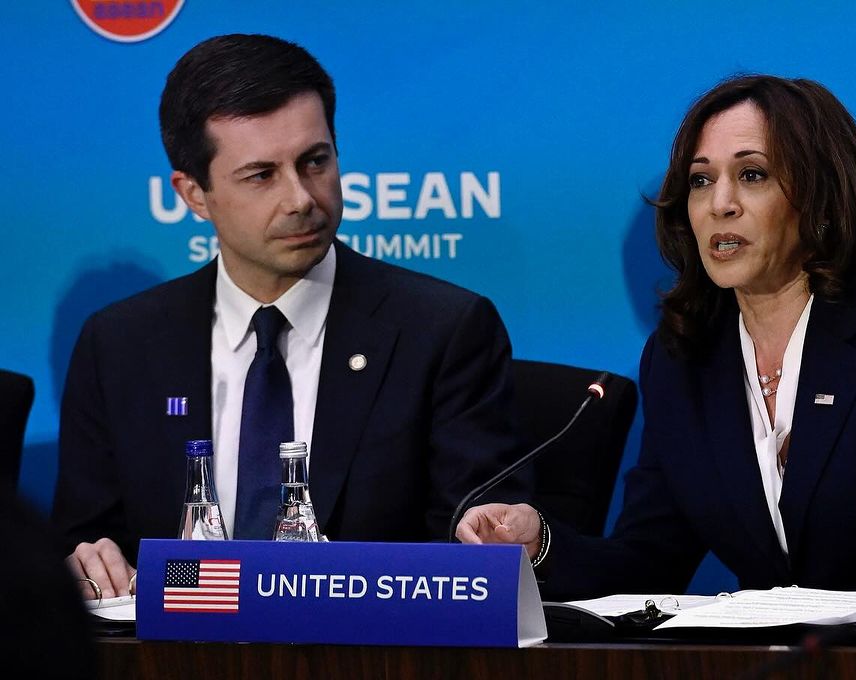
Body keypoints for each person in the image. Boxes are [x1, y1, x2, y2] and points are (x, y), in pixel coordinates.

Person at [457, 75, 856, 616]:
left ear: (818, 197)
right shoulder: (682, 358)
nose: (720, 204)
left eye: (751, 175)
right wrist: (539, 544)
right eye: (701, 182)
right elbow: (648, 563)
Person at [55, 34, 525, 599]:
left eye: (315, 161)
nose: (301, 198)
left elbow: (475, 560)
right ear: (194, 194)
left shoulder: (443, 331)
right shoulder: (120, 346)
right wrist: (86, 566)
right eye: (261, 175)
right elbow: (88, 544)